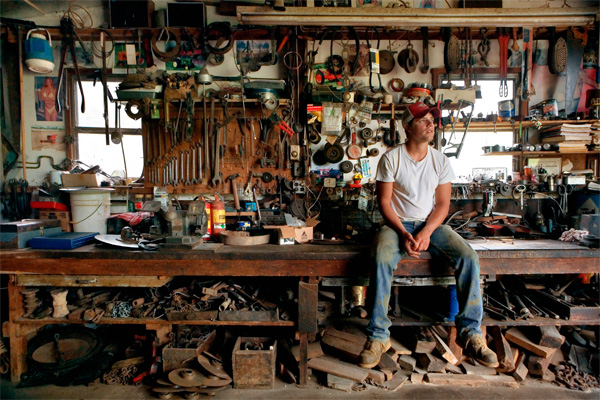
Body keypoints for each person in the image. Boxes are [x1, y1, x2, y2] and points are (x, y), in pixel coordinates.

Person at [358, 102, 498, 369]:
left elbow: (443, 205)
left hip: (430, 225)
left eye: (432, 120)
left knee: (469, 256)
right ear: (407, 126)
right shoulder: (391, 158)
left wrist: (426, 231)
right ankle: (378, 336)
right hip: (396, 226)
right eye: (423, 120)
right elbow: (385, 202)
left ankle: (471, 334)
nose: (430, 124)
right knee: (381, 257)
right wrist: (402, 232)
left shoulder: (440, 160)